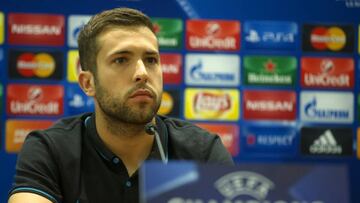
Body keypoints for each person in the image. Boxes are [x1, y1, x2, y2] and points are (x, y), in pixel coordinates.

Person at [8, 7, 234, 203]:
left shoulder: (202, 151)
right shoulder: (51, 149)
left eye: (151, 60)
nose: (142, 73)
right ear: (88, 83)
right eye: (121, 60)